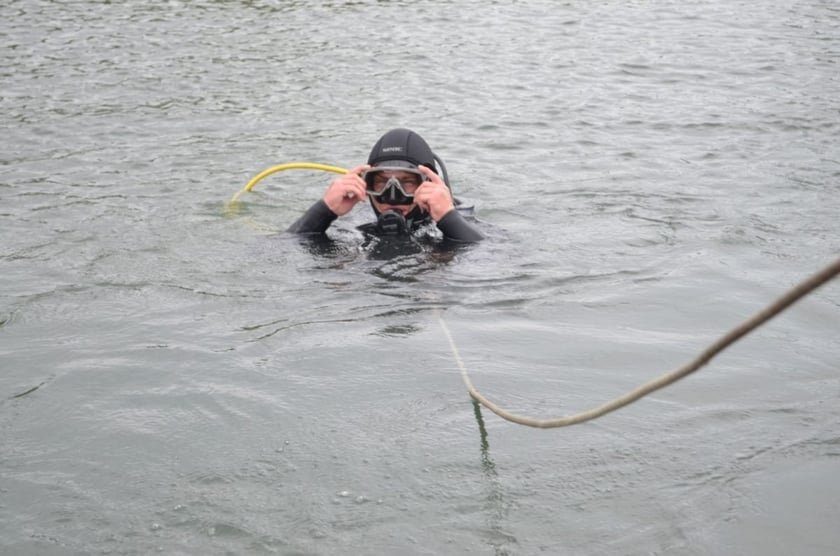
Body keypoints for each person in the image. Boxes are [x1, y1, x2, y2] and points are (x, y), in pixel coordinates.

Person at [288, 128, 484, 242]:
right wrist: (323, 210)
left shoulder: (460, 225)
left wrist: (449, 218)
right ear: (367, 184)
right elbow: (285, 250)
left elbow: (489, 263)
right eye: (381, 182)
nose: (392, 196)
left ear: (429, 184)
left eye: (407, 182)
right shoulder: (353, 226)